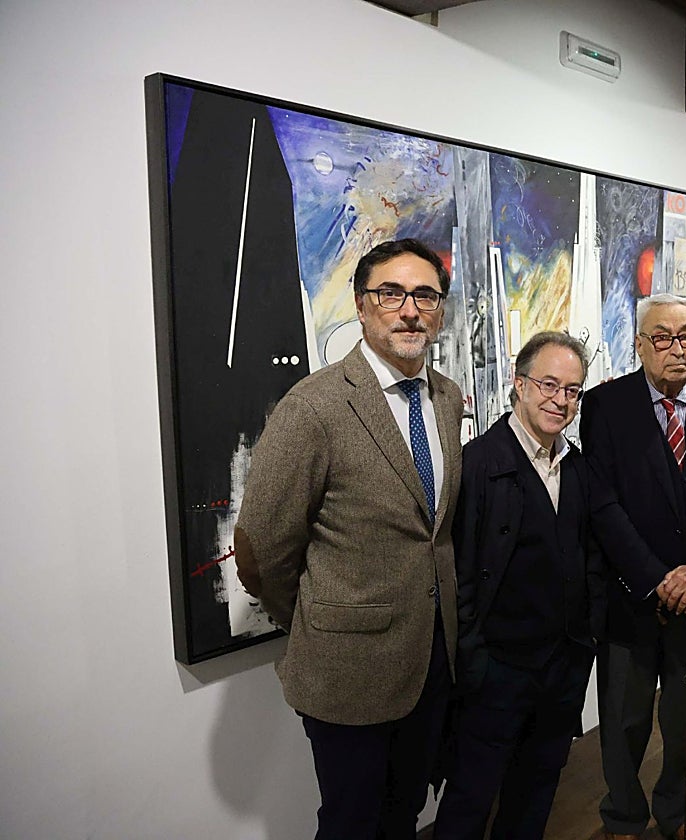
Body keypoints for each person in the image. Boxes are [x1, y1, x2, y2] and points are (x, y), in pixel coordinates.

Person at [234, 238, 463, 840]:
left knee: (406, 810)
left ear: (439, 310)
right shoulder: (314, 406)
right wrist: (319, 616)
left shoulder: (446, 398)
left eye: (425, 296)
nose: (409, 310)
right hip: (348, 669)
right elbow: (263, 549)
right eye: (391, 294)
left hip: (433, 658)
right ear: (363, 307)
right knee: (350, 822)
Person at [581, 294, 686, 840]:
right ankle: (624, 820)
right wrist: (659, 578)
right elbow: (603, 506)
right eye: (662, 336)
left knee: (685, 721)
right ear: (639, 345)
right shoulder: (604, 407)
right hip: (632, 597)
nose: (676, 348)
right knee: (625, 722)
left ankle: (677, 816)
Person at [433, 331, 604, 840]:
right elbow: (458, 572)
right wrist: (475, 661)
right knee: (469, 800)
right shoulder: (479, 464)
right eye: (549, 384)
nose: (560, 400)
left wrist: (584, 644)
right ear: (519, 384)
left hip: (561, 670)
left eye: (572, 390)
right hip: (496, 674)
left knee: (534, 799)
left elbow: (587, 558)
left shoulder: (574, 468)